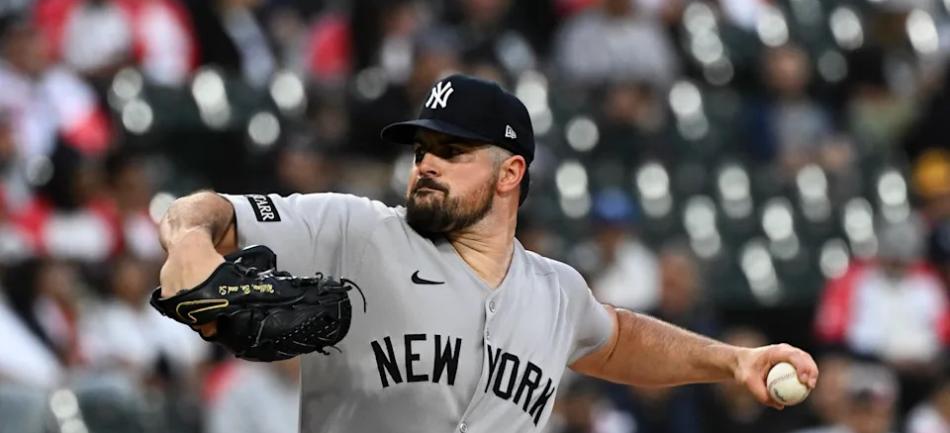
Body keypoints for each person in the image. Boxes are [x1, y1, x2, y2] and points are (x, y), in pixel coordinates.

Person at [156, 74, 819, 432]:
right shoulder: (355, 231)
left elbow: (619, 340)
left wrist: (734, 361)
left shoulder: (557, 293)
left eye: (452, 151)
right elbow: (205, 212)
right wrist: (190, 244)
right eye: (422, 150)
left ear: (510, 173)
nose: (426, 164)